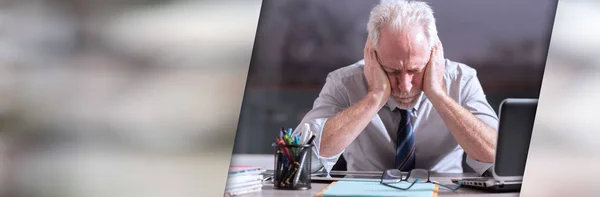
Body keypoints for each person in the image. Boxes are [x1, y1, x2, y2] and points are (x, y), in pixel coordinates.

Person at [296, 0, 498, 176]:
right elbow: (299, 160)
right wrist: (374, 97)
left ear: (433, 53)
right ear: (372, 55)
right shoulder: (343, 83)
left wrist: (438, 95)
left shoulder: (461, 80)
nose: (405, 85)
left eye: (415, 70)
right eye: (392, 71)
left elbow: (497, 155)